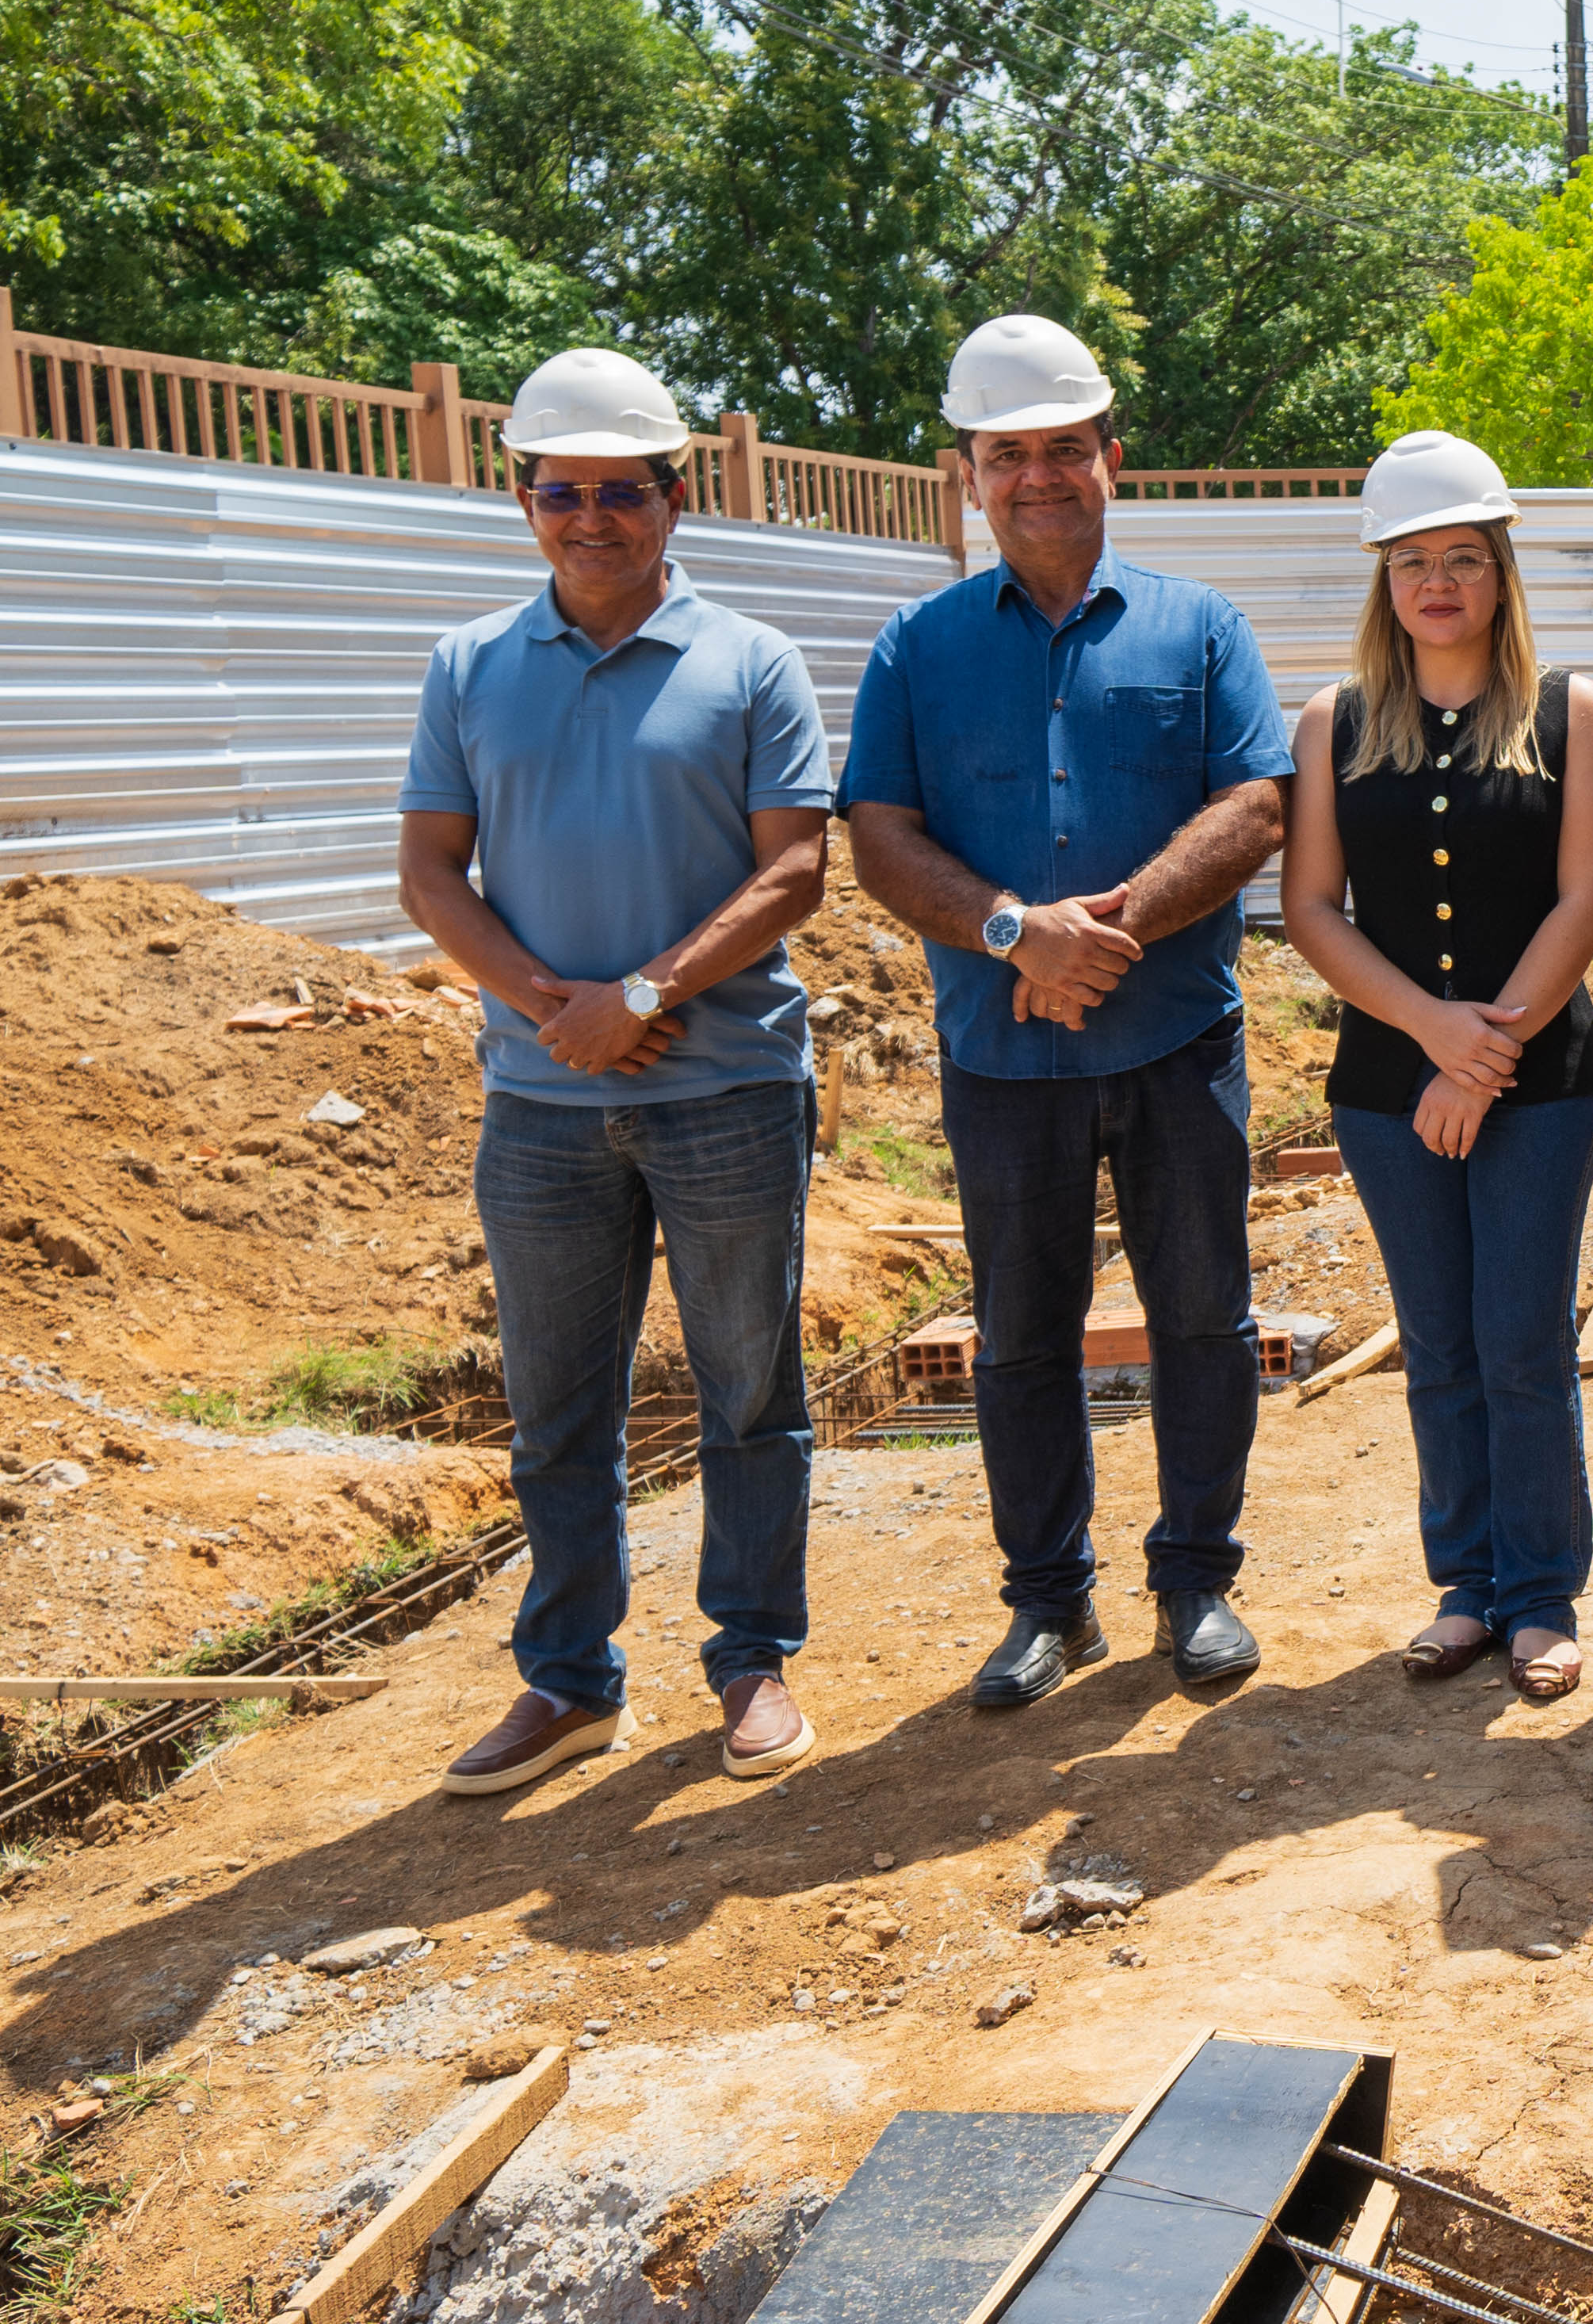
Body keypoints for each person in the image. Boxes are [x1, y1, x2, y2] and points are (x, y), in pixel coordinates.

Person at [839, 314, 1297, 1711]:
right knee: (1022, 1335)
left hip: (1175, 1043)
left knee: (1201, 1318)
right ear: (967, 473)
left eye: (1062, 448)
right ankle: (1049, 1603)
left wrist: (1109, 930)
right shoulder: (915, 650)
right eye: (1007, 453)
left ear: (1112, 456)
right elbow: (876, 833)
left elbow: (1257, 802)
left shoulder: (1198, 626)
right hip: (1003, 1054)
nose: (1037, 475)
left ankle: (1195, 1581)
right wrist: (1009, 931)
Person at [396, 348, 836, 1795]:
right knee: (556, 1410)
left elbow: (794, 869)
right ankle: (568, 1681)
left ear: (674, 495)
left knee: (746, 1386)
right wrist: (551, 1007)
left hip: (725, 1094)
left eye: (622, 491)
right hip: (542, 1112)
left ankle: (751, 1659)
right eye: (561, 490)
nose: (592, 516)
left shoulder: (750, 661)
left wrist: (645, 992)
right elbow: (428, 871)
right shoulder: (466, 665)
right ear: (524, 499)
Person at [1282, 431, 1593, 1698]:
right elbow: (1312, 904)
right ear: (1385, 577)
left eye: (1464, 558)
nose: (1439, 581)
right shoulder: (1336, 721)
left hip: (1542, 1086)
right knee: (1436, 1339)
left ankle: (1541, 1594)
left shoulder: (1567, 710)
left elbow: (1587, 898)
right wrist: (1430, 1033)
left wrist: (1479, 1057)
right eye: (1415, 560)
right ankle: (1465, 1587)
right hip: (1385, 1088)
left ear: (1499, 572)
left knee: (1521, 1336)